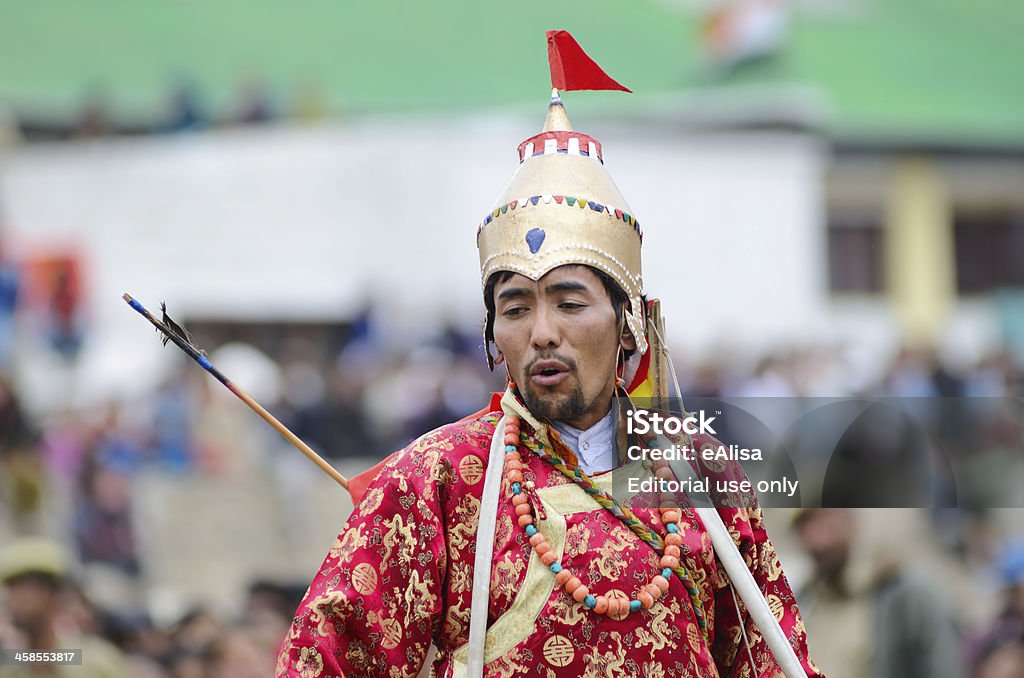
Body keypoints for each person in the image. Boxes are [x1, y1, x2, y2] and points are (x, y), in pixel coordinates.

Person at [277, 37, 821, 677]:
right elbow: (324, 659)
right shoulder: (437, 481)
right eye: (515, 309)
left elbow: (770, 657)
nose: (541, 332)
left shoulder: (701, 478)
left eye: (569, 303)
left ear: (630, 325)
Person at [792, 508, 964, 678]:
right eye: (805, 527)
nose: (817, 540)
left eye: (824, 522)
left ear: (847, 520)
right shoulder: (804, 602)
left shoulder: (905, 599)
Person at [0, 537, 126, 677]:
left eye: (26, 594)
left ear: (53, 595)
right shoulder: (9, 666)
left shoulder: (95, 662)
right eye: (12, 591)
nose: (15, 604)